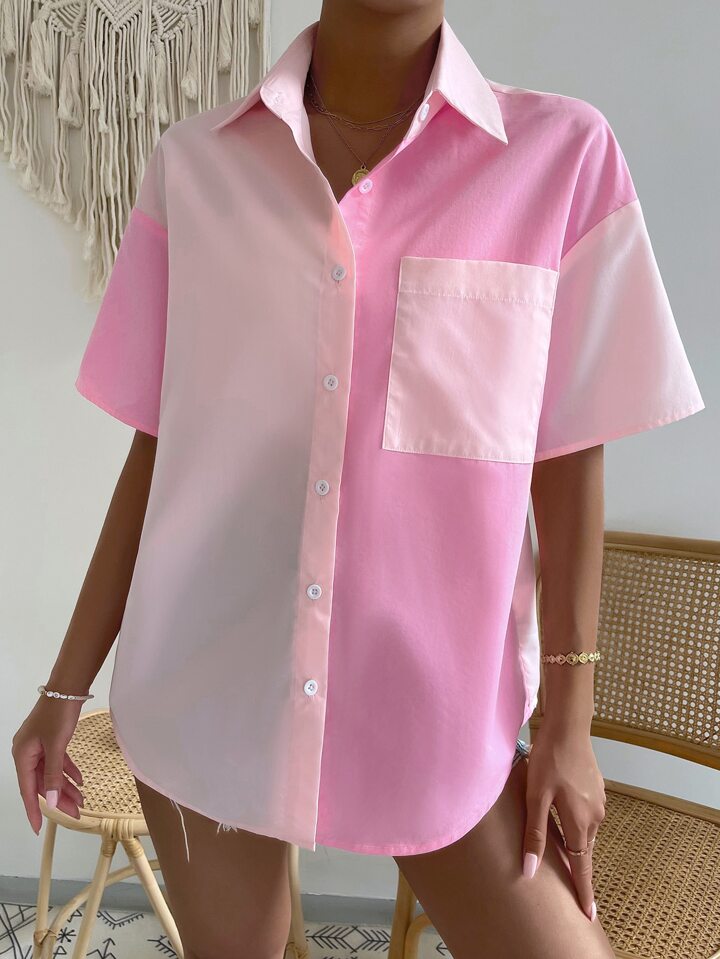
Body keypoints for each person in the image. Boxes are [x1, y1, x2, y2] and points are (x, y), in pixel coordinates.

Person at [12, 2, 705, 957]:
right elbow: (161, 448)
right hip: (210, 681)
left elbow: (567, 457)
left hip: (438, 711)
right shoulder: (197, 166)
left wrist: (568, 722)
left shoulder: (562, 159)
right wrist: (64, 684)